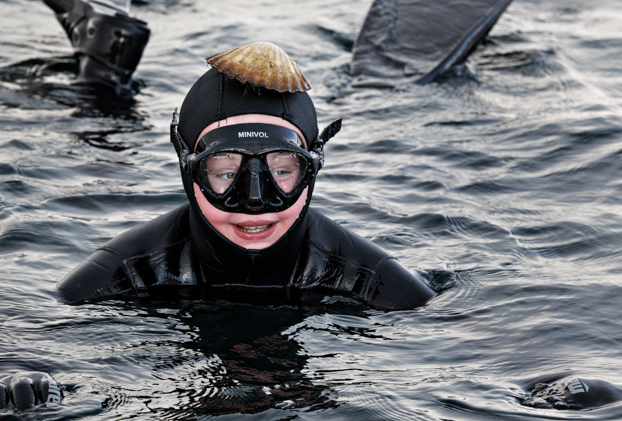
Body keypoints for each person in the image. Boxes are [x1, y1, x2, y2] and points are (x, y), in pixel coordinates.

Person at [56, 42, 436, 310]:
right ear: (188, 170)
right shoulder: (127, 272)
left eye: (282, 171)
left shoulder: (373, 281)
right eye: (225, 172)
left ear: (313, 170)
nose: (254, 200)